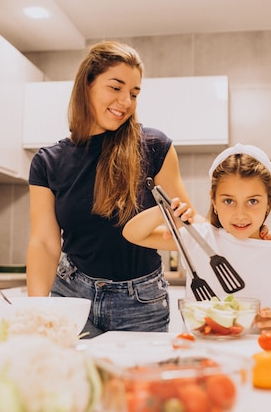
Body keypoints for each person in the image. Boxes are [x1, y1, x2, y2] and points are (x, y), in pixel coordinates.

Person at [26, 41, 195, 338]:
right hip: (71, 295)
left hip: (141, 301)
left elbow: (188, 230)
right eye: (115, 88)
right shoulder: (48, 162)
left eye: (133, 93)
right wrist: (36, 309)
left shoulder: (154, 147)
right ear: (87, 85)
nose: (125, 102)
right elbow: (43, 243)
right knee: (74, 382)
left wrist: (243, 237)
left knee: (137, 385)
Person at [123, 143, 271, 336]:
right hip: (204, 358)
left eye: (253, 201)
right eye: (228, 201)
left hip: (261, 359)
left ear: (268, 203)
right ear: (214, 201)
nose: (240, 215)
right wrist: (163, 211)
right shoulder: (199, 239)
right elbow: (133, 234)